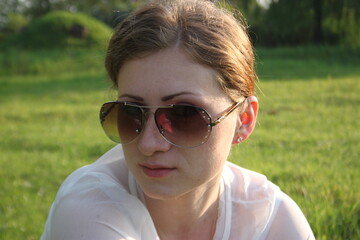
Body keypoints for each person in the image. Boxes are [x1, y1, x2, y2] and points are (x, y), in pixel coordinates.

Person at [41, 0, 315, 239]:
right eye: (131, 112)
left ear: (243, 119)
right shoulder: (87, 207)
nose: (149, 144)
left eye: (184, 114)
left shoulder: (270, 217)